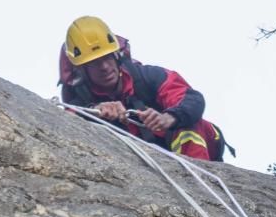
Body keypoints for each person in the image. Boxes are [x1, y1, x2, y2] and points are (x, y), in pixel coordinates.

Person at [59, 16, 228, 161]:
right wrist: (94, 111)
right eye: (94, 63)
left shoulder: (147, 77)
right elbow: (64, 121)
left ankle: (200, 179)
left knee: (189, 124)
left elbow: (191, 98)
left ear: (116, 55)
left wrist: (169, 117)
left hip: (192, 150)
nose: (104, 67)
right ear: (82, 70)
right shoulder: (79, 99)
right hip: (141, 163)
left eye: (107, 57)